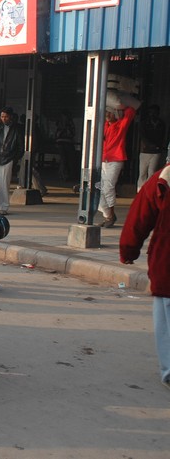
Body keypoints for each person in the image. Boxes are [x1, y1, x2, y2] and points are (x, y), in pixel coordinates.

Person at [120, 164, 170, 391]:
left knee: (165, 319)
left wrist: (128, 250)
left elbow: (138, 217)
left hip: (166, 265)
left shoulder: (164, 177)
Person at [98, 103, 137, 227]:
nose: (108, 115)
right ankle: (108, 216)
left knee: (108, 188)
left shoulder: (121, 125)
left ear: (116, 114)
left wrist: (120, 106)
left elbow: (131, 111)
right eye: (107, 112)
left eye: (110, 112)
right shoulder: (104, 126)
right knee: (98, 188)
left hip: (115, 160)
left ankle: (110, 216)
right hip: (103, 160)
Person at [0, 106, 24, 215]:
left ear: (10, 117)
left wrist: (14, 159)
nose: (3, 119)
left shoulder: (16, 129)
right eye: (2, 116)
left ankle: (3, 207)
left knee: (4, 184)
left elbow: (20, 146)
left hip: (7, 158)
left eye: (6, 116)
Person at [137, 105, 167, 191]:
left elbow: (163, 137)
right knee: (142, 173)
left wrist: (159, 146)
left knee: (152, 172)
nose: (153, 114)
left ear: (158, 113)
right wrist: (150, 145)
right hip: (145, 150)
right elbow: (143, 136)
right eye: (151, 112)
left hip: (156, 151)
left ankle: (148, 191)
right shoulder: (144, 123)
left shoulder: (161, 124)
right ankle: (140, 191)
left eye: (155, 112)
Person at [55, 111, 77, 181]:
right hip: (66, 143)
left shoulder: (60, 123)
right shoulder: (68, 124)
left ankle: (64, 175)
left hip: (62, 143)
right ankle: (65, 175)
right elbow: (72, 133)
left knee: (64, 160)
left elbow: (57, 134)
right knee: (66, 160)